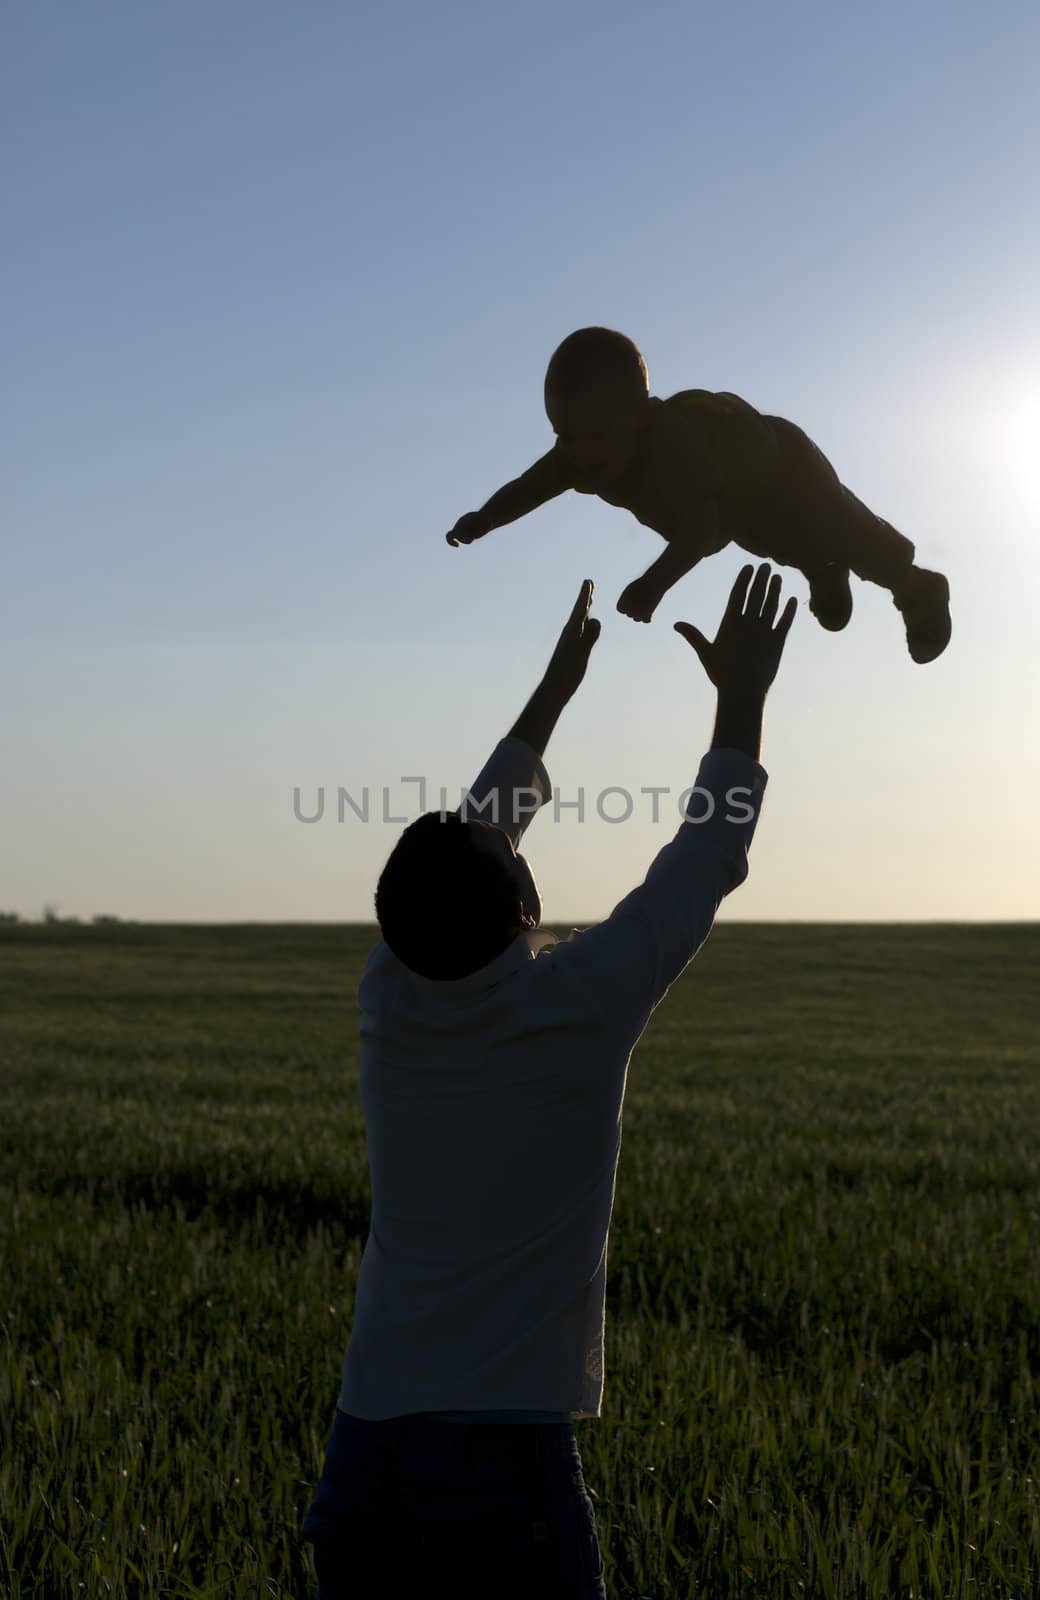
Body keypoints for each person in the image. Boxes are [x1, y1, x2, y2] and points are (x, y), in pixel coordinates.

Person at [301, 562, 796, 1598]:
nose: (496, 825)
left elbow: (471, 853)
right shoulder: (574, 1005)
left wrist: (557, 687)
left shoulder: (390, 995)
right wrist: (740, 696)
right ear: (524, 899)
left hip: (364, 1456)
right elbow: (707, 851)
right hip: (500, 1472)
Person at [446, 325, 951, 664]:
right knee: (771, 539)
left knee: (842, 528)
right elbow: (529, 488)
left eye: (595, 436)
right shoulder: (579, 456)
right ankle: (822, 566)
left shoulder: (672, 448)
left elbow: (702, 530)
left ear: (639, 417)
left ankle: (916, 585)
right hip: (742, 504)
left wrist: (654, 583)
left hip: (787, 466)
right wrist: (485, 519)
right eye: (564, 434)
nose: (579, 453)